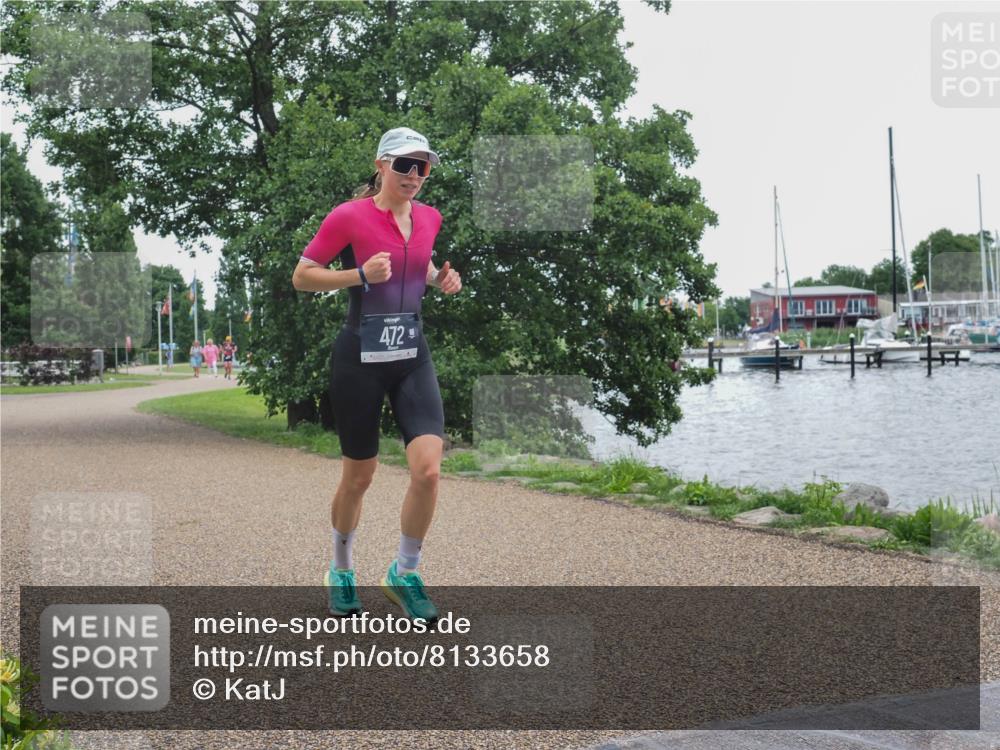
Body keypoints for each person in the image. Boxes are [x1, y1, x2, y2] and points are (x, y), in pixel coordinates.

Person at [292, 126, 462, 624]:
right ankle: (341, 569)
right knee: (359, 477)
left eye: (423, 167)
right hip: (359, 358)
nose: (413, 175)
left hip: (412, 355)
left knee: (429, 470)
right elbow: (302, 275)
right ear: (381, 165)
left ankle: (404, 573)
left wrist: (440, 279)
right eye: (404, 165)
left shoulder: (430, 217)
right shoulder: (349, 216)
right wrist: (359, 275)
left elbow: (423, 263)